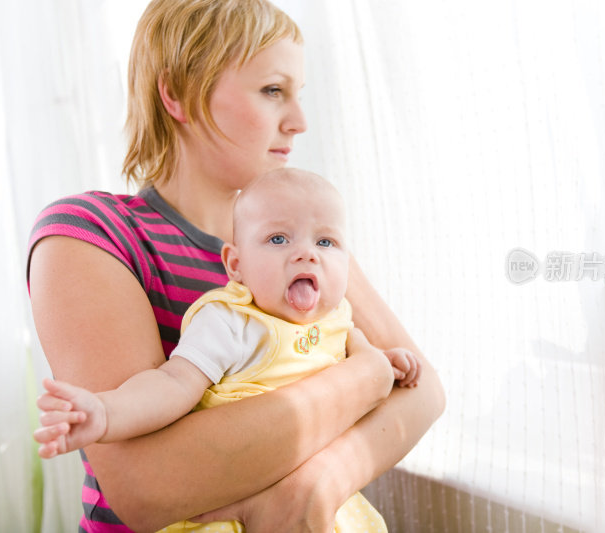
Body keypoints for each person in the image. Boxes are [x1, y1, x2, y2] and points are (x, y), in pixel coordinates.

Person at [27, 0, 445, 531]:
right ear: (176, 94)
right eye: (273, 91)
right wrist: (365, 376)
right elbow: (150, 487)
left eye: (297, 95)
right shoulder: (93, 233)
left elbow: (424, 391)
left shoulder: (304, 245)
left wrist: (314, 487)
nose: (299, 123)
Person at [34, 168, 421, 532]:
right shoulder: (231, 321)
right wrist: (106, 412)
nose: (308, 254)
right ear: (235, 264)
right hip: (225, 511)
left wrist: (386, 364)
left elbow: (376, 373)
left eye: (325, 242)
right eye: (278, 239)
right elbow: (173, 383)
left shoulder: (339, 319)